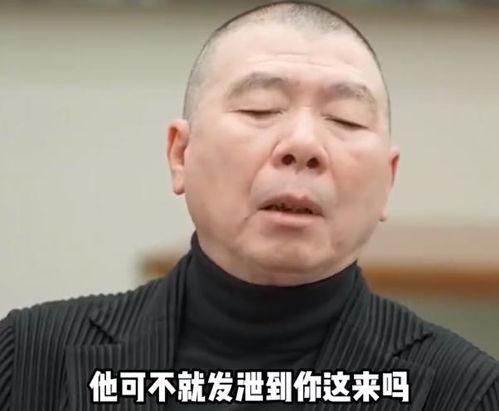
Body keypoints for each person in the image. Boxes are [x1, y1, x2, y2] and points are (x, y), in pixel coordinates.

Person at [0, 1, 498, 409]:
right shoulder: (28, 357)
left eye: (345, 119)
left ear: (388, 180)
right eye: (260, 108)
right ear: (180, 154)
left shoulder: (466, 393)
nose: (302, 144)